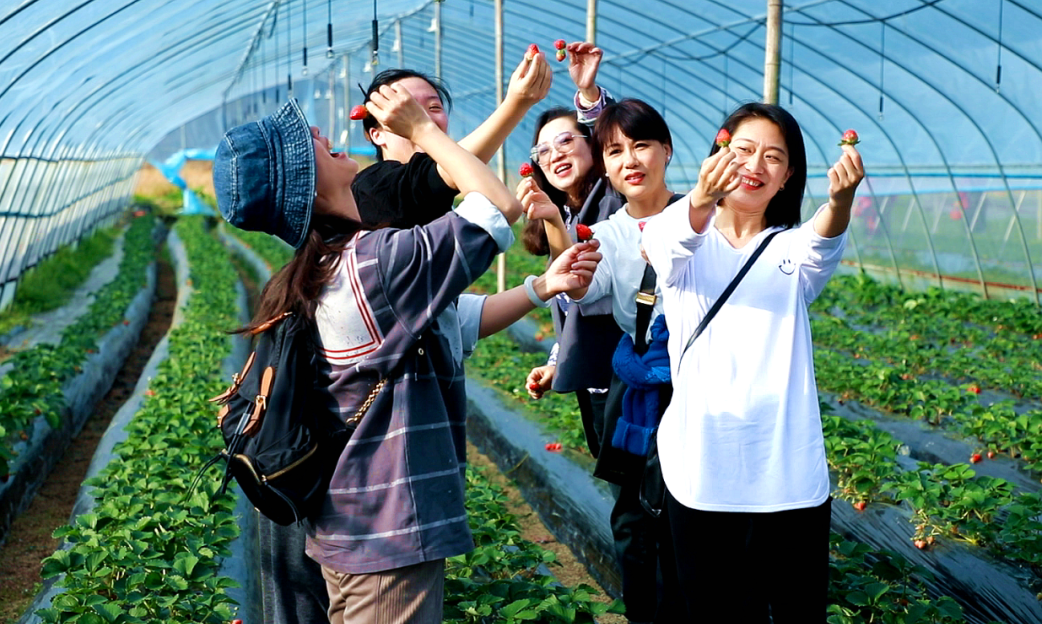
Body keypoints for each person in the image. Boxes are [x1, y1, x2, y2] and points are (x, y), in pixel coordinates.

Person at [212, 93, 601, 623]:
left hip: (353, 528)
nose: (326, 137)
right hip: (387, 538)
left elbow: (447, 323)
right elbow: (497, 209)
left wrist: (539, 288)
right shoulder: (376, 263)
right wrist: (423, 131)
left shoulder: (329, 266)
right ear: (305, 181)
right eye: (311, 144)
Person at [640, 102, 864, 622]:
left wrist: (842, 200)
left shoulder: (791, 251)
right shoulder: (682, 241)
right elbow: (663, 244)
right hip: (702, 472)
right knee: (711, 611)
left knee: (795, 611)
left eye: (773, 157)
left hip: (787, 475)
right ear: (718, 155)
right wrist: (700, 196)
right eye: (743, 151)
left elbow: (823, 240)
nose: (755, 166)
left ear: (787, 178)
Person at [563, 98, 685, 624]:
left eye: (641, 145)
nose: (629, 160)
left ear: (666, 151)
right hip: (636, 387)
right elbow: (587, 295)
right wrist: (576, 274)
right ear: (606, 165)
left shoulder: (700, 218)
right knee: (634, 513)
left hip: (694, 383)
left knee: (689, 509)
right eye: (615, 151)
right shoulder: (608, 233)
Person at [518, 41, 623, 460]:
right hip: (595, 378)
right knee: (625, 495)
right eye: (542, 151)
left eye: (565, 140)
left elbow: (619, 144)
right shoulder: (561, 212)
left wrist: (590, 96)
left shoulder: (614, 195)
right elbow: (572, 302)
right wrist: (559, 360)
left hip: (631, 375)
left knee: (639, 504)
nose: (553, 154)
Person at [353, 50, 552, 229]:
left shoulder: (438, 198)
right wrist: (516, 103)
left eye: (434, 108)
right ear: (376, 134)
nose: (423, 118)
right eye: (405, 110)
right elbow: (501, 206)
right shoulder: (375, 185)